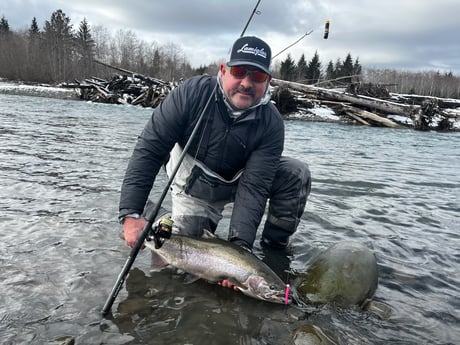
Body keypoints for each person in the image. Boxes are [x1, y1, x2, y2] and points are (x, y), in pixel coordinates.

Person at [119, 36, 311, 258]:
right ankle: (156, 214)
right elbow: (150, 151)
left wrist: (240, 248)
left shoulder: (272, 122)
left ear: (268, 81)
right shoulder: (191, 94)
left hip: (239, 181)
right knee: (190, 256)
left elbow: (254, 187)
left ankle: (273, 252)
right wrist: (130, 214)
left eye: (257, 76)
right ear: (223, 69)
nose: (247, 83)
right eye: (239, 72)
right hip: (193, 184)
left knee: (295, 173)